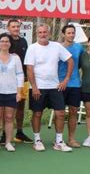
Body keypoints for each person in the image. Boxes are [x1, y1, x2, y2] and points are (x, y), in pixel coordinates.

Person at [24, 24, 74, 152]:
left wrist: (66, 79)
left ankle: (58, 142)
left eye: (45, 32)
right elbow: (29, 68)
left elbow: (70, 60)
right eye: (40, 32)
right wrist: (34, 87)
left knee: (61, 113)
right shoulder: (32, 48)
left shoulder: (56, 46)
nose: (42, 34)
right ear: (37, 34)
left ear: (49, 34)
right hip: (38, 88)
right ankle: (37, 140)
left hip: (55, 87)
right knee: (37, 114)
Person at [0, 33, 24, 152]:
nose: (4, 43)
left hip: (11, 92)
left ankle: (8, 142)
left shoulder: (16, 58)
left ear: (10, 44)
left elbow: (20, 75)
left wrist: (19, 92)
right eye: (2, 41)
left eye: (7, 41)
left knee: (9, 117)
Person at [7, 19, 33, 144]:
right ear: (8, 28)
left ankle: (20, 132)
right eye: (13, 26)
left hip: (23, 79)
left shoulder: (23, 41)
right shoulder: (5, 41)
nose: (16, 28)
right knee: (8, 107)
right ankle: (5, 134)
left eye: (17, 26)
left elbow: (26, 60)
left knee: (21, 106)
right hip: (8, 80)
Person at [59, 24, 85, 148]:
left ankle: (71, 139)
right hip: (60, 84)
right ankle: (58, 139)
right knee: (60, 113)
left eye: (73, 33)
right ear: (63, 34)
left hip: (75, 84)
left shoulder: (79, 47)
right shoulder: (57, 47)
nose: (71, 35)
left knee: (74, 111)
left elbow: (80, 63)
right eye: (68, 33)